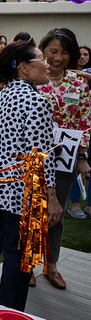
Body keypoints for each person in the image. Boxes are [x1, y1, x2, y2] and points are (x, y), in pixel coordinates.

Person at [0, 41, 58, 311]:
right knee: (18, 263)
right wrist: (51, 197)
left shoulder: (1, 97)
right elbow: (41, 158)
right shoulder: (36, 101)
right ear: (23, 67)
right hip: (21, 197)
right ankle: (9, 319)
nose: (47, 63)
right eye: (40, 58)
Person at [33, 28, 91, 288]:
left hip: (65, 156)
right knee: (31, 210)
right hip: (34, 155)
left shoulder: (79, 84)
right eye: (53, 51)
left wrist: (82, 156)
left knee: (56, 213)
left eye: (64, 52)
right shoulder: (33, 78)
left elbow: (84, 121)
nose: (58, 57)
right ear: (43, 50)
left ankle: (51, 264)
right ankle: (27, 265)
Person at [67, 44, 91, 218]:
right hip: (74, 131)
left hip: (86, 125)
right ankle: (74, 204)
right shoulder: (68, 77)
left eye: (86, 54)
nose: (82, 57)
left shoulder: (87, 75)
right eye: (80, 54)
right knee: (77, 165)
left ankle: (89, 206)